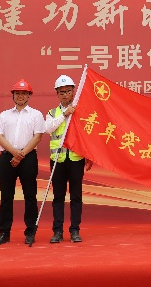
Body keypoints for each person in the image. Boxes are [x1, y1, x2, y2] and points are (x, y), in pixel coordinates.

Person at [0, 79, 45, 246]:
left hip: (28, 157)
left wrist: (21, 154)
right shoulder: (4, 115)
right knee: (6, 196)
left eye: (24, 93)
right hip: (7, 157)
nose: (20, 96)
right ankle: (4, 232)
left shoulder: (36, 115)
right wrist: (14, 153)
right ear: (13, 95)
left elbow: (38, 136)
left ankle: (30, 232)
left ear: (29, 95)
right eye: (17, 93)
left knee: (30, 195)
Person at [45, 74, 93, 243]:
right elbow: (48, 128)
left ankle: (75, 230)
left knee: (76, 197)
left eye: (68, 91)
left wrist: (89, 155)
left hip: (75, 159)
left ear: (73, 92)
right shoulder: (53, 113)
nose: (65, 94)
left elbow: (87, 134)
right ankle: (57, 231)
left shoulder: (81, 111)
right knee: (58, 197)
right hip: (57, 159)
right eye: (61, 92)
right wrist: (65, 114)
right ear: (57, 94)